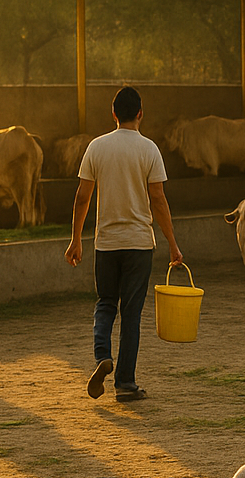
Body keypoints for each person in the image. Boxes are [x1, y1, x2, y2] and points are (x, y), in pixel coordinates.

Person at [65, 86, 182, 403]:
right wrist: (172, 243)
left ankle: (102, 354)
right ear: (141, 114)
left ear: (113, 114)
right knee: (131, 314)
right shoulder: (149, 150)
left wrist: (76, 240)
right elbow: (158, 200)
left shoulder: (96, 147)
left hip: (107, 244)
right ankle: (125, 384)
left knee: (105, 302)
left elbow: (82, 198)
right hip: (139, 244)